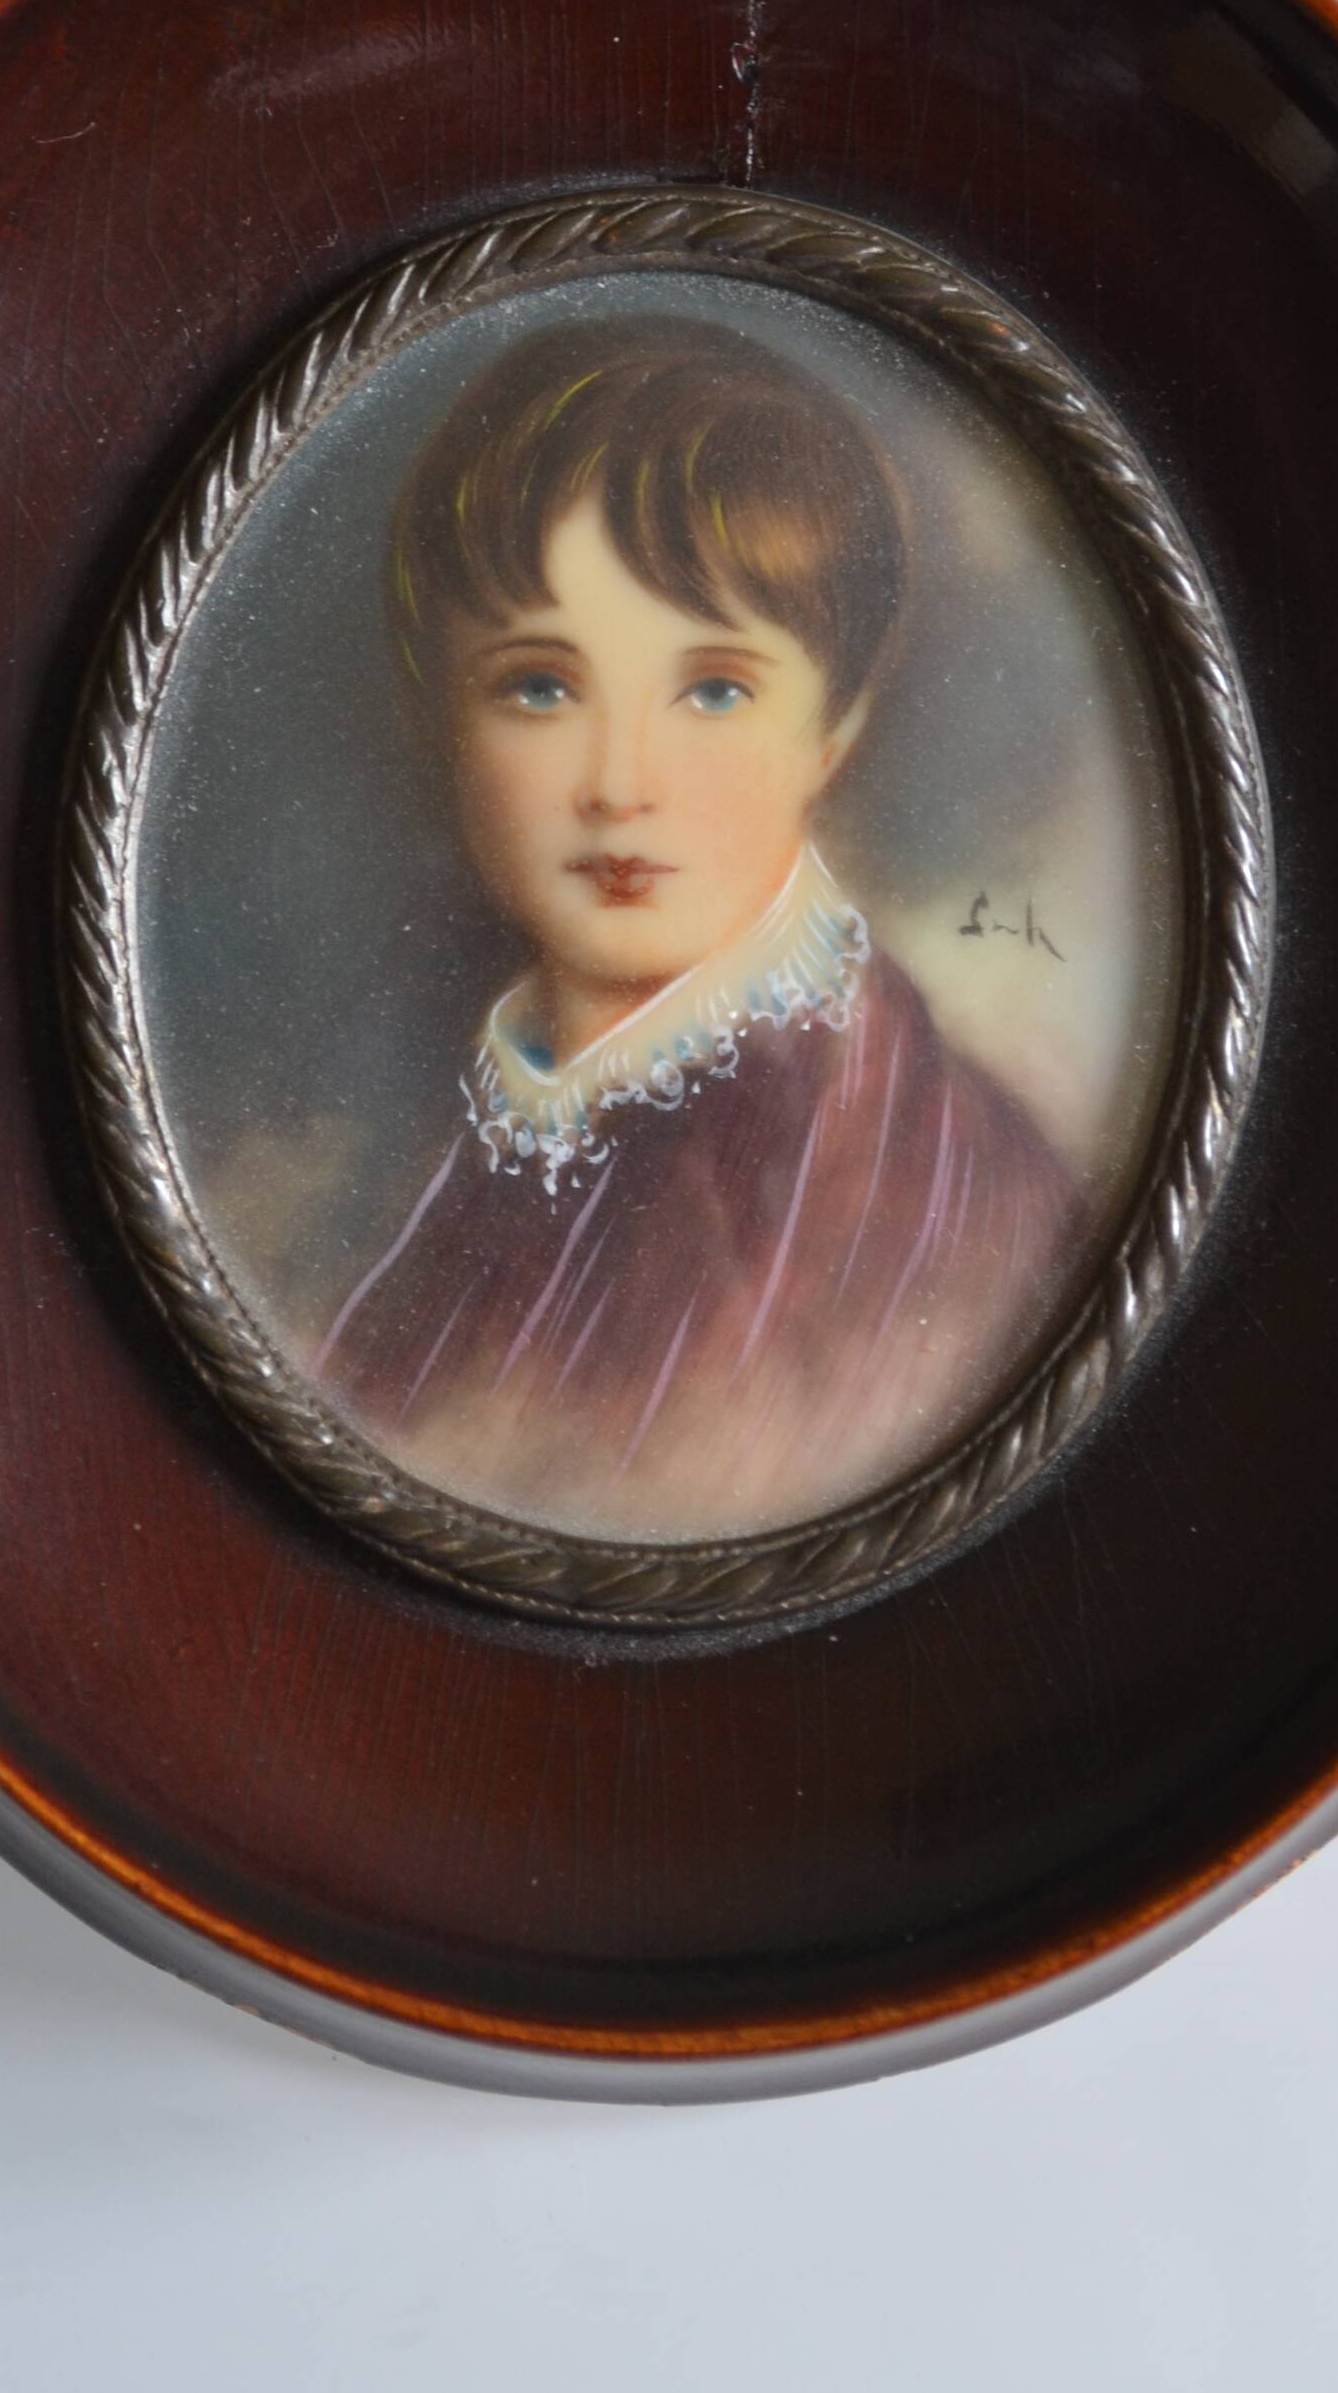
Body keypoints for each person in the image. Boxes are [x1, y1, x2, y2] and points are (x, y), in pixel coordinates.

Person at [316, 316, 1086, 1538]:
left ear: (829, 734)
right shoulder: (510, 1106)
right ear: (442, 722)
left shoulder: (894, 1164)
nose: (621, 783)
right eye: (541, 685)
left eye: (714, 688)